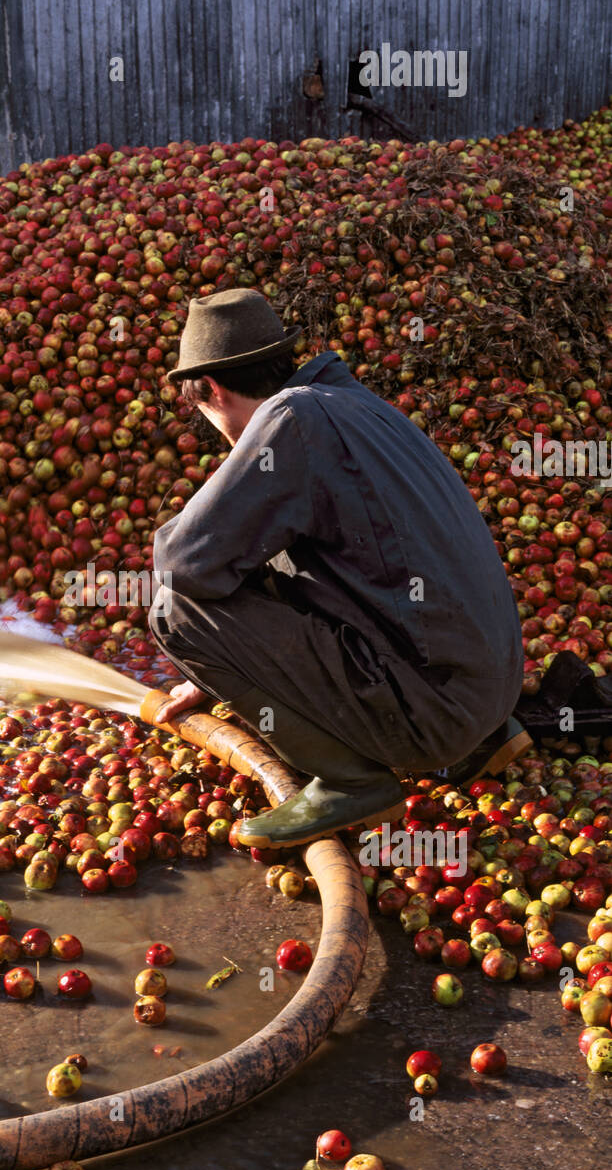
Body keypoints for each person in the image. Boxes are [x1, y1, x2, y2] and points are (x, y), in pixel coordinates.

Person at [147, 288, 530, 848]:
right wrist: (235, 668)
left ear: (213, 390)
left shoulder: (291, 420)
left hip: (437, 714)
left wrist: (212, 646)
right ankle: (480, 739)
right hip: (492, 691)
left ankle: (352, 783)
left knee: (176, 609)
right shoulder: (356, 404)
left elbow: (183, 565)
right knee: (266, 557)